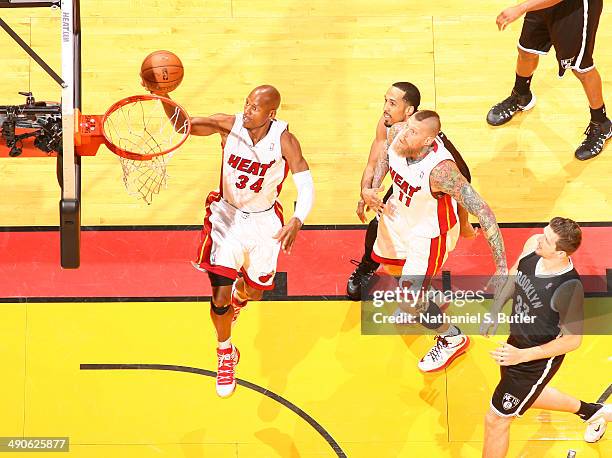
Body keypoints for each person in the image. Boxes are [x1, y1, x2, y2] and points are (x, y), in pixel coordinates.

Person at [154, 85, 314, 398]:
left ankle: (238, 304)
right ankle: (225, 351)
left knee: (253, 290)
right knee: (219, 296)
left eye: (255, 108)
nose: (247, 110)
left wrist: (298, 219)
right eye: (247, 103)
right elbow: (182, 124)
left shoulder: (284, 140)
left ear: (271, 114)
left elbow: (305, 182)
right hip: (225, 218)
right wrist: (163, 96)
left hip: (264, 222)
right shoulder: (229, 124)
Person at [363, 110, 507, 372]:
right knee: (393, 267)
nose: (405, 134)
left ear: (429, 140)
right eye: (407, 127)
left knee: (408, 299)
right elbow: (386, 157)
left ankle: (452, 337)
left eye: (414, 132)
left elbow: (484, 212)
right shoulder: (397, 134)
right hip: (398, 215)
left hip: (428, 234)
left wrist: (501, 267)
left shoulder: (442, 171)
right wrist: (371, 190)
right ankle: (429, 297)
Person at [480, 217, 610, 457]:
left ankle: (593, 411)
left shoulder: (569, 288)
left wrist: (522, 356)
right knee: (529, 394)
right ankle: (593, 412)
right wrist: (496, 310)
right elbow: (514, 276)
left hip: (536, 359)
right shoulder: (533, 246)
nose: (540, 239)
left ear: (561, 253)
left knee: (496, 419)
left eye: (547, 240)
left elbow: (573, 340)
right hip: (516, 344)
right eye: (543, 233)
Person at [347, 82, 476, 301]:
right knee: (377, 225)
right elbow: (376, 161)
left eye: (392, 103)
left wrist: (464, 222)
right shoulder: (387, 124)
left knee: (418, 241)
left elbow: (464, 182)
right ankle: (368, 267)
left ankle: (417, 282)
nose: (385, 108)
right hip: (404, 183)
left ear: (409, 111)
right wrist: (367, 191)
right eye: (385, 100)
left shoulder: (432, 141)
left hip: (429, 192)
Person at [487, 0, 611, 160]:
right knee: (526, 50)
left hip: (575, 8)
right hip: (542, 4)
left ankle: (601, 124)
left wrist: (521, 8)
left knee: (581, 69)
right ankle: (521, 96)